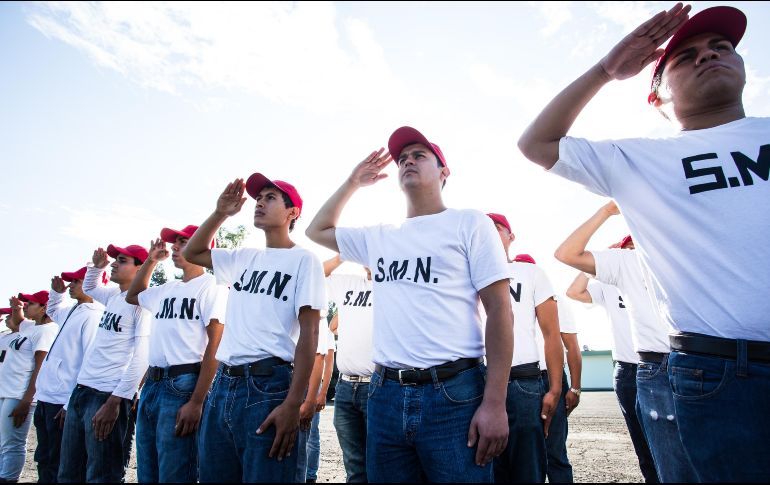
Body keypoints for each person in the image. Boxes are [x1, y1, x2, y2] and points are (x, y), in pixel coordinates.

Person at [518, 4, 769, 480]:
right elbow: (538, 144)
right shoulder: (639, 161)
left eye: (721, 47)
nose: (708, 55)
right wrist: (605, 71)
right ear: (656, 98)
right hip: (718, 373)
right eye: (685, 55)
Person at [306, 126, 513, 482]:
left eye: (419, 156)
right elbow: (317, 231)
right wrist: (353, 182)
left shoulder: (469, 223)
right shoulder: (381, 236)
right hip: (385, 393)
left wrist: (495, 402)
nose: (407, 162)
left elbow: (499, 311)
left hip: (453, 392)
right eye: (402, 159)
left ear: (443, 172)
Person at [184, 174, 325, 483]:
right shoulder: (243, 257)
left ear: (293, 212)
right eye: (259, 197)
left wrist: (293, 402)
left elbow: (310, 334)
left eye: (270, 197)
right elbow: (191, 254)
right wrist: (221, 213)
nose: (260, 202)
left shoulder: (304, 260)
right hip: (223, 385)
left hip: (268, 385)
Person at [554, 202, 696, 482]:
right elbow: (574, 290)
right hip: (634, 367)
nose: (631, 250)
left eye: (634, 246)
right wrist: (600, 262)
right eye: (626, 248)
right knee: (648, 449)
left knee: (688, 451)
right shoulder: (615, 278)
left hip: (677, 359)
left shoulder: (666, 264)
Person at [125, 225, 227, 483]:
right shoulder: (166, 289)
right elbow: (133, 296)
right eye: (175, 243)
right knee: (148, 471)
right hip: (153, 384)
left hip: (183, 383)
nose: (175, 247)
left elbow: (215, 345)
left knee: (175, 471)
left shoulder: (212, 286)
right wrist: (150, 261)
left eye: (184, 242)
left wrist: (197, 400)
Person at [58, 244, 152, 483]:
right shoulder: (115, 295)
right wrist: (97, 267)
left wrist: (116, 399)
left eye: (122, 260)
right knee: (69, 473)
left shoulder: (143, 304)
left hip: (107, 395)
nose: (115, 264)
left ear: (140, 267)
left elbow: (141, 357)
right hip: (82, 391)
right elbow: (90, 287)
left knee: (101, 475)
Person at [487, 214, 562, 483]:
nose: (490, 232)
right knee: (485, 467)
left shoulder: (530, 273)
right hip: (477, 382)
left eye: (496, 228)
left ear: (511, 236)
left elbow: (552, 334)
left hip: (523, 382)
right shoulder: (464, 274)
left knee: (527, 469)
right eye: (484, 229)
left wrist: (555, 388)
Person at [515, 255, 581, 483]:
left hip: (549, 376)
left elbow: (571, 346)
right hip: (523, 376)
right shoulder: (511, 297)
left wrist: (574, 387)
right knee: (523, 452)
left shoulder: (556, 302)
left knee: (554, 449)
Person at [34, 268, 103, 483]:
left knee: (60, 462)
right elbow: (53, 310)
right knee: (44, 457)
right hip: (47, 397)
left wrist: (68, 404)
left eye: (76, 281)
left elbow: (88, 361)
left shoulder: (93, 314)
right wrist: (56, 293)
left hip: (62, 399)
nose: (71, 285)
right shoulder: (74, 309)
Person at [323, 255, 374, 483]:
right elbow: (315, 274)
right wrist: (344, 253)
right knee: (354, 467)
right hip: (345, 387)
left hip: (378, 386)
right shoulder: (350, 283)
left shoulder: (397, 286)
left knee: (382, 464)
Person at [0, 292, 58, 484]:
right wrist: (16, 308)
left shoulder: (46, 330)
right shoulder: (31, 327)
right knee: (4, 442)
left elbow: (40, 367)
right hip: (8, 391)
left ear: (44, 307)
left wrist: (27, 399)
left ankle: (9, 478)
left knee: (12, 443)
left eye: (30, 303)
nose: (26, 306)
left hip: (20, 393)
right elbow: (18, 319)